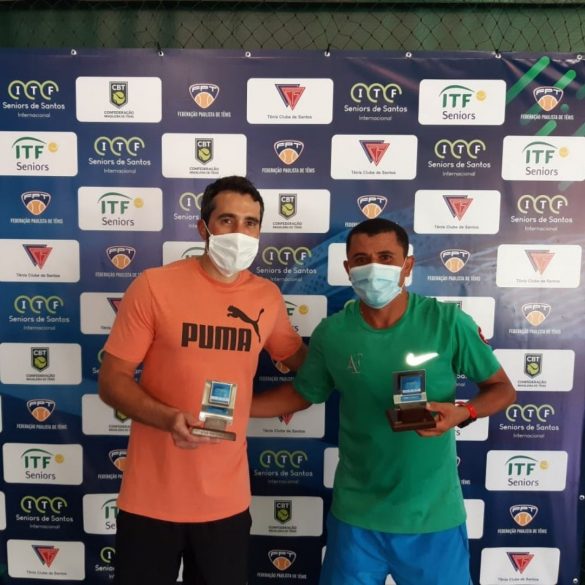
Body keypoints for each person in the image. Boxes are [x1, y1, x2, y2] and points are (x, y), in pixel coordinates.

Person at [251, 217, 516, 585]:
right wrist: (233, 410)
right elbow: (302, 394)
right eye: (361, 259)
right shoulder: (332, 332)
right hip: (356, 520)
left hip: (431, 518)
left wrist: (464, 412)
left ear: (407, 265)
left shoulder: (447, 322)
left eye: (386, 257)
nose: (373, 268)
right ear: (348, 268)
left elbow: (502, 388)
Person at [98, 175, 307, 585]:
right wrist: (167, 418)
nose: (240, 232)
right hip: (150, 500)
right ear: (203, 227)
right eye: (227, 220)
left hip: (225, 504)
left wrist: (361, 357)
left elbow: (308, 370)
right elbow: (112, 381)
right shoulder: (154, 286)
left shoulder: (266, 297)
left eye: (250, 222)